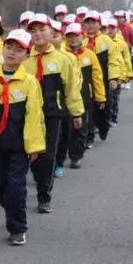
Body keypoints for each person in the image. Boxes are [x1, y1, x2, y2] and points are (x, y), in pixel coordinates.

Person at [0, 29, 45, 244]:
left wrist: (33, 146)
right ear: (2, 48)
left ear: (26, 55)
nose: (12, 53)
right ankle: (12, 207)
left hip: (18, 146)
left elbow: (34, 115)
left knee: (16, 185)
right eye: (9, 47)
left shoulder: (29, 82)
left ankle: (18, 227)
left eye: (19, 50)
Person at [22, 14, 84, 213]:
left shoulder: (62, 60)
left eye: (42, 29)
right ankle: (30, 185)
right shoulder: (25, 59)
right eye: (33, 30)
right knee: (32, 156)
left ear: (52, 32)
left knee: (48, 156)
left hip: (53, 114)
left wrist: (76, 114)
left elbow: (71, 90)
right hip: (28, 116)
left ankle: (43, 195)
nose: (38, 34)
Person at [63, 23, 106, 168]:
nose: (73, 39)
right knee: (66, 128)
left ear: (82, 36)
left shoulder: (89, 55)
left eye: (76, 35)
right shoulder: (62, 54)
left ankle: (76, 155)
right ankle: (64, 152)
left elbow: (97, 78)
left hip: (84, 98)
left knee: (80, 128)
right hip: (65, 99)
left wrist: (100, 97)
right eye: (70, 36)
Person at [81, 10, 122, 143]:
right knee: (89, 110)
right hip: (86, 82)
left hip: (103, 82)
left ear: (99, 24)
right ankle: (89, 136)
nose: (90, 25)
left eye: (94, 22)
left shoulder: (107, 41)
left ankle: (104, 127)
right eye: (88, 22)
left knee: (105, 108)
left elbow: (113, 60)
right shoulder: (81, 41)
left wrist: (114, 78)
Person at [50, 20, 81, 178]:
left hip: (63, 105)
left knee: (62, 136)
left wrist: (75, 109)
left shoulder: (68, 57)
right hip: (43, 106)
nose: (51, 38)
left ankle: (59, 162)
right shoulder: (33, 57)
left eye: (55, 35)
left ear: (61, 37)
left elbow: (74, 82)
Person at [103, 17, 133, 125]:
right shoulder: (101, 42)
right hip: (104, 74)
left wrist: (129, 74)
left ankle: (113, 117)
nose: (110, 30)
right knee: (106, 98)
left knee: (114, 98)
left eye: (112, 28)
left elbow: (127, 59)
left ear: (117, 29)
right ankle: (105, 118)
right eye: (108, 28)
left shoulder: (122, 43)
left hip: (118, 75)